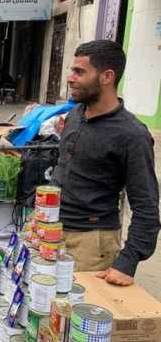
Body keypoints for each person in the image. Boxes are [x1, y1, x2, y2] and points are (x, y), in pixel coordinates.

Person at [53, 40, 160, 287]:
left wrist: (127, 262)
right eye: (72, 70)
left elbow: (146, 206)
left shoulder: (132, 134)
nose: (70, 78)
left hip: (91, 243)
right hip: (53, 232)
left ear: (107, 77)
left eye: (79, 72)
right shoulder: (76, 115)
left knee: (79, 319)